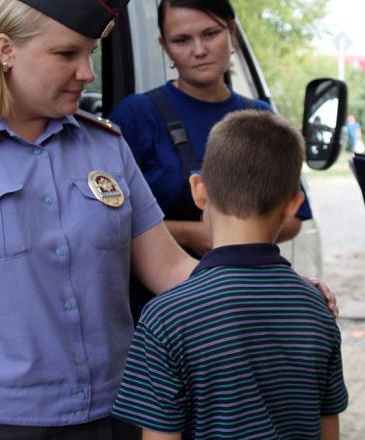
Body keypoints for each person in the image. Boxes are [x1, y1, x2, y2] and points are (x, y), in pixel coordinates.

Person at [0, 1, 199, 438]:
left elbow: (170, 267)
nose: (87, 73)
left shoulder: (107, 147)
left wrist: (266, 287)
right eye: (67, 55)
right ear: (6, 50)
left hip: (111, 411)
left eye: (90, 54)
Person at [111, 110, 348, 440]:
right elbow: (328, 432)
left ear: (199, 191)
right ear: (294, 204)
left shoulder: (165, 317)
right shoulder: (316, 309)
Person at [108, 0, 314, 318]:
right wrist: (191, 233)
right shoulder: (135, 116)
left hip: (243, 306)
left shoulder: (259, 116)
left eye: (210, 34)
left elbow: (293, 218)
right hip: (155, 309)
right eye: (182, 40)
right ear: (164, 46)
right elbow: (108, 223)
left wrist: (232, 237)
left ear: (231, 32)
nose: (199, 50)